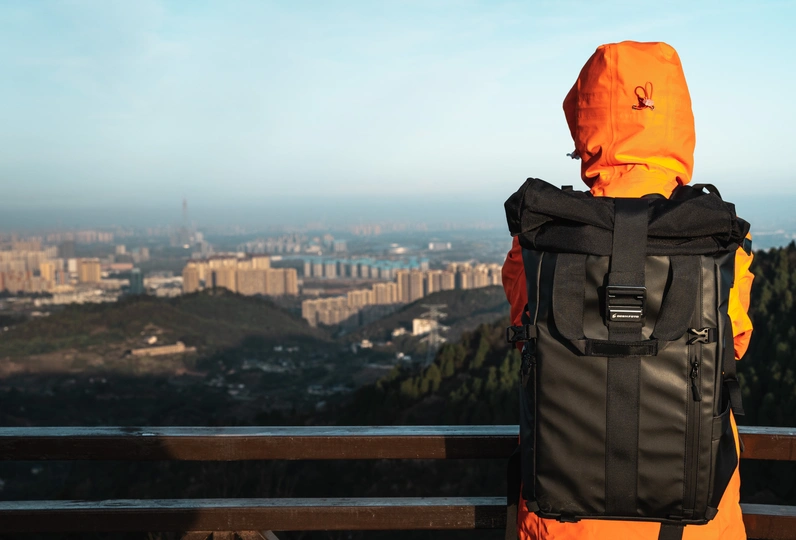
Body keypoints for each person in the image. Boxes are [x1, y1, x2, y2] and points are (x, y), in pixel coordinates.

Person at [501, 41, 754, 540]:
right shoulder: (717, 239)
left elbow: (524, 330)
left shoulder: (541, 236)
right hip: (691, 520)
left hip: (566, 521)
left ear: (585, 123)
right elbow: (735, 344)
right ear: (679, 122)